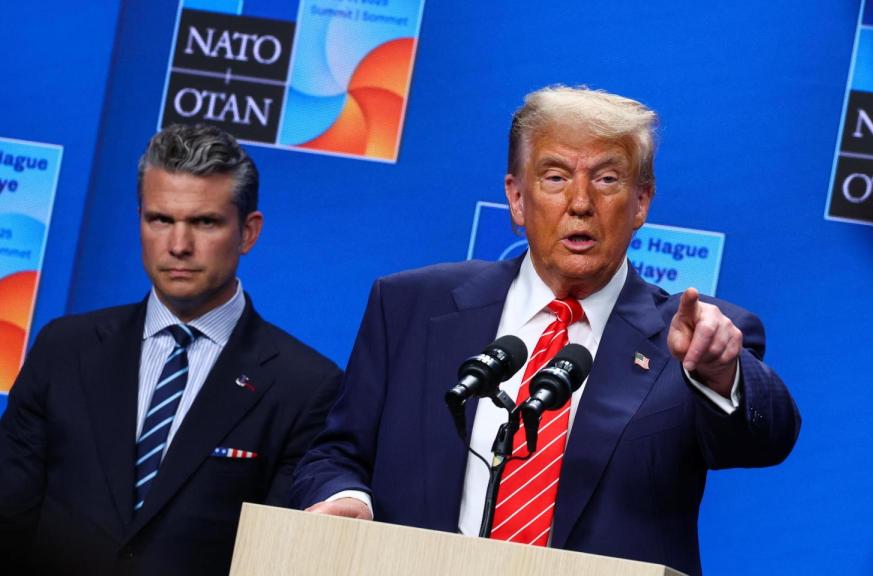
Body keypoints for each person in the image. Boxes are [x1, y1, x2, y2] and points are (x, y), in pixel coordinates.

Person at [291, 86, 800, 576]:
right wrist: (345, 499)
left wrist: (721, 372)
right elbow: (338, 452)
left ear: (641, 202)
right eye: (555, 177)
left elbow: (765, 441)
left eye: (607, 179)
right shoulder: (411, 306)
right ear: (517, 198)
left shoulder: (693, 336)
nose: (580, 203)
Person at [0, 124, 343, 576]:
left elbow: (272, 561)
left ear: (248, 232)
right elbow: (9, 515)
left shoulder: (306, 386)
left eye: (205, 222)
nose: (178, 246)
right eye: (160, 220)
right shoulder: (64, 348)